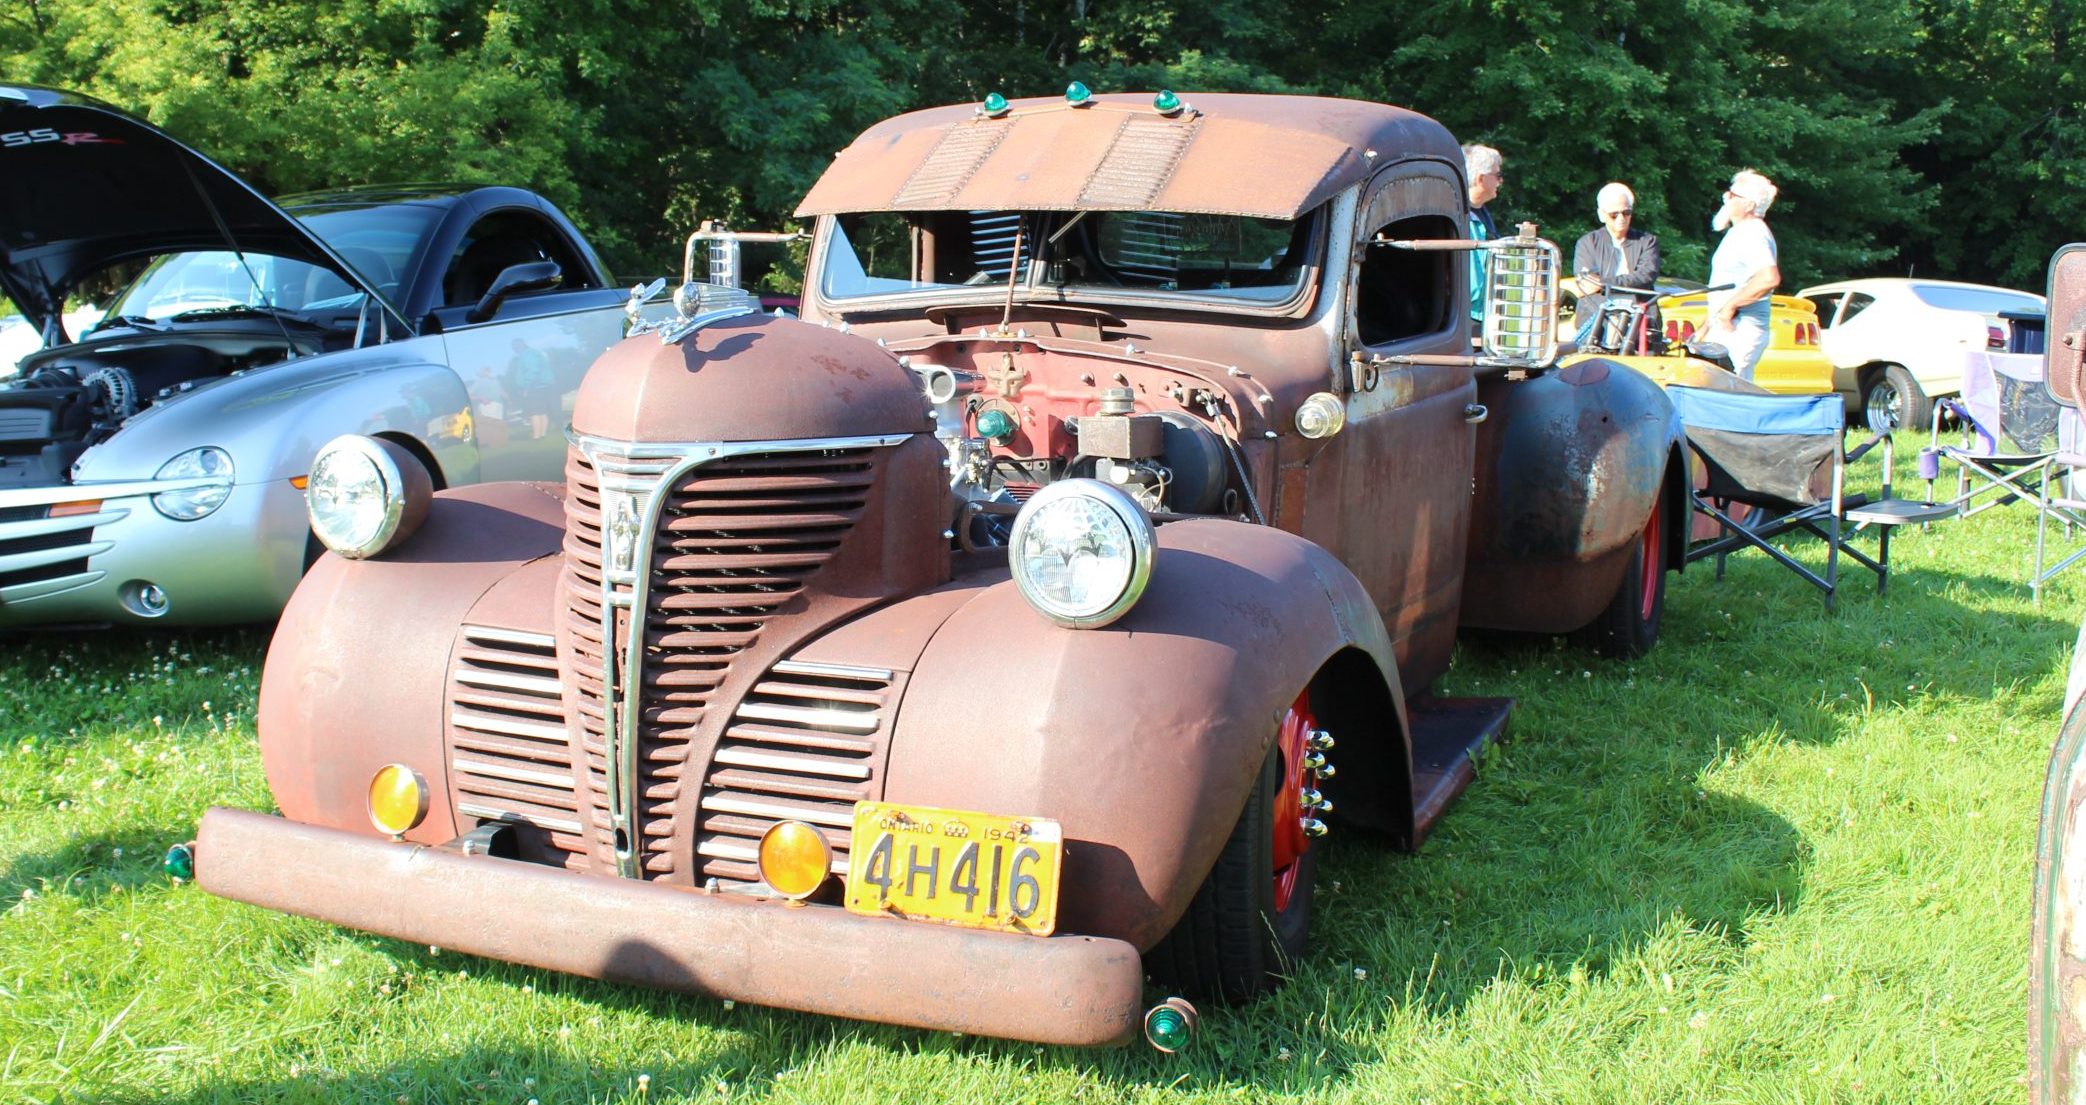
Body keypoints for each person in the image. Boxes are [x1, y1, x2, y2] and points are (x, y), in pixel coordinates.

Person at [1705, 170, 1782, 381]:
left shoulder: (1753, 232)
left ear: (1749, 205)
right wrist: (1706, 326)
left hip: (1741, 328)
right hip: (1730, 327)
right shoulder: (1740, 231)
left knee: (1731, 394)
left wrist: (1729, 308)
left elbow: (1769, 278)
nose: (1726, 198)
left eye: (1732, 195)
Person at [1572, 182, 1661, 350]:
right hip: (1595, 326)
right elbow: (1585, 283)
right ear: (1601, 215)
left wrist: (1603, 283)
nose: (1621, 219)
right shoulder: (1587, 243)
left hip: (1640, 326)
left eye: (1626, 213)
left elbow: (1645, 276)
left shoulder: (1647, 241)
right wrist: (1626, 283)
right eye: (1614, 214)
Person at [1464, 143, 1503, 323]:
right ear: (1481, 178)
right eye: (1498, 175)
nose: (1500, 181)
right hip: (1465, 314)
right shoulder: (1456, 215)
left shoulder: (1482, 213)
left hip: (1484, 312)